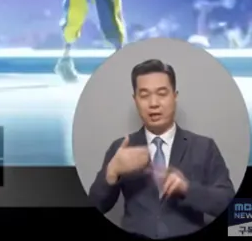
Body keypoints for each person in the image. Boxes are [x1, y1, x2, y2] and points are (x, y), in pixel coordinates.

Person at [87, 59, 236, 238]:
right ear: (135, 100)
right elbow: (97, 204)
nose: (154, 103)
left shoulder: (204, 147)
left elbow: (227, 203)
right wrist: (112, 172)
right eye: (144, 95)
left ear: (175, 96)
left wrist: (188, 189)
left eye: (162, 93)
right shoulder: (121, 149)